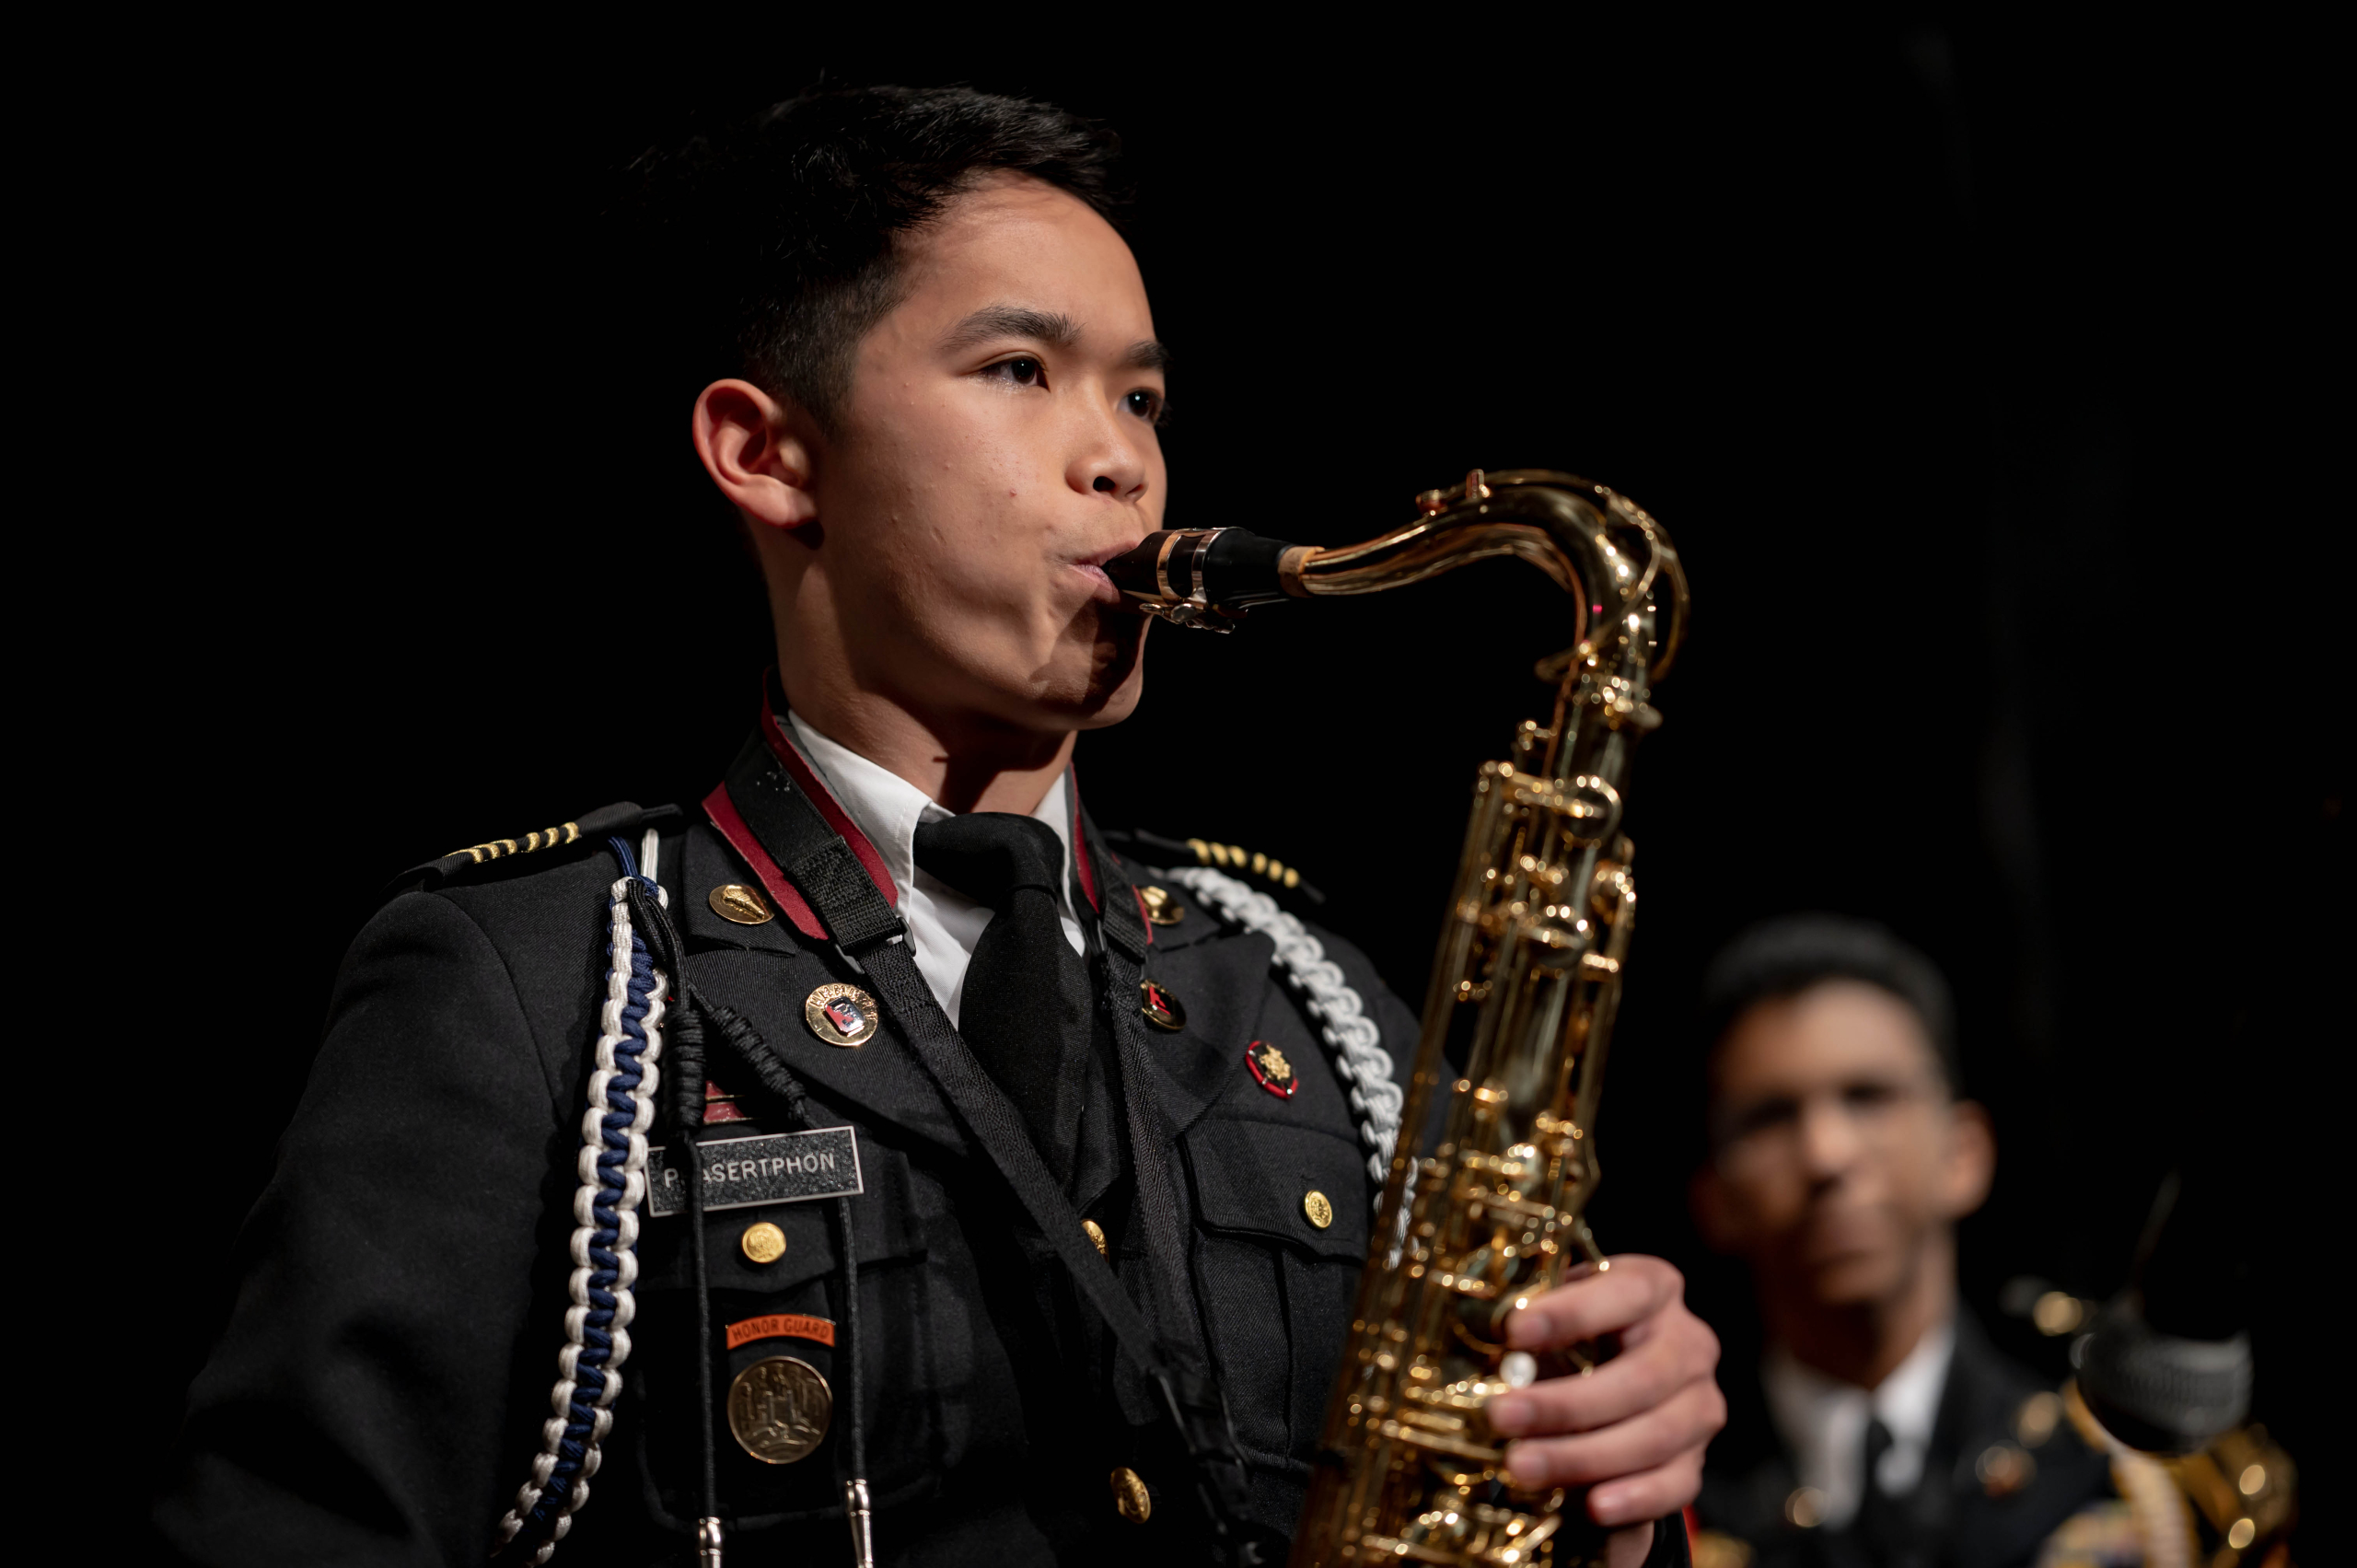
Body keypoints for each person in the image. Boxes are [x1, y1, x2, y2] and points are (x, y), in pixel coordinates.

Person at [158, 87, 1722, 1567]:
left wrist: (1611, 1490)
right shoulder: (526, 982)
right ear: (768, 454)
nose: (1122, 457)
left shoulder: (1311, 997)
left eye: (1143, 396)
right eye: (1022, 369)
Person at [1686, 915, 2115, 1568]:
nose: (1825, 1154)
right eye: (1770, 1117)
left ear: (1964, 1153)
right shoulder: (1667, 1509)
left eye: (1869, 1096)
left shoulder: (2101, 1473)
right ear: (1714, 1199)